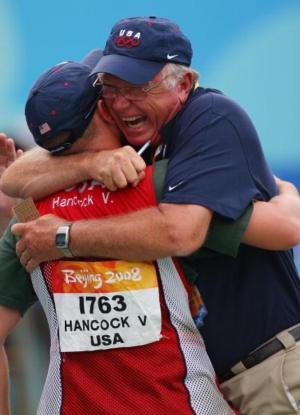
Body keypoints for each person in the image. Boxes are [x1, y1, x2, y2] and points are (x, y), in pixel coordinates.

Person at [2, 16, 300, 414]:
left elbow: (18, 177)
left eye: (135, 88)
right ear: (103, 107)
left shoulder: (31, 216)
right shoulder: (162, 185)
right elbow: (283, 225)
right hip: (217, 390)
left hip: (263, 373)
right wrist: (284, 193)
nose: (123, 102)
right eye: (113, 90)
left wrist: (60, 233)